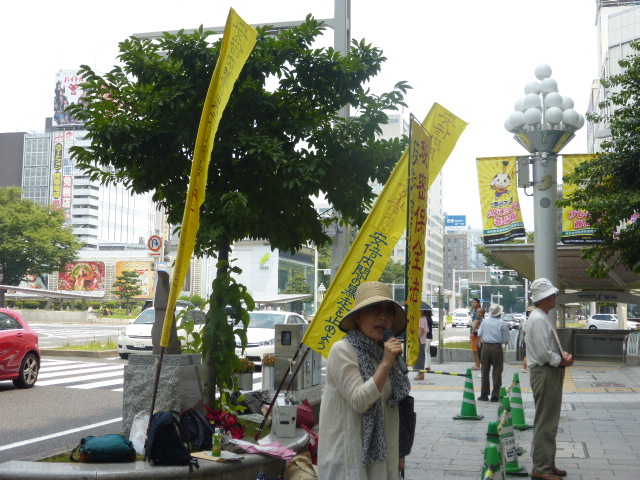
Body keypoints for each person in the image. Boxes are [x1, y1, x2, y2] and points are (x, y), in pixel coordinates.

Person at [318, 281, 411, 479]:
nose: (383, 317)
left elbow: (396, 406)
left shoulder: (383, 353)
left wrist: (400, 452)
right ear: (358, 317)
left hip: (385, 458)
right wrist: (386, 364)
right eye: (374, 309)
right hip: (348, 459)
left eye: (389, 312)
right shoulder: (342, 351)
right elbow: (360, 401)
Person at [526, 278, 573, 480]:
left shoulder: (540, 317)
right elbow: (544, 353)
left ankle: (547, 464)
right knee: (546, 420)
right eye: (553, 294)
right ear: (545, 297)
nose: (555, 297)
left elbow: (546, 349)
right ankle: (541, 468)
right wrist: (563, 360)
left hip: (548, 371)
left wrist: (562, 357)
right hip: (545, 371)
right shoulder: (537, 319)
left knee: (549, 420)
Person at [477, 303, 510, 402]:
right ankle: (495, 395)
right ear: (500, 313)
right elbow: (506, 339)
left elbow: (479, 334)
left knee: (485, 371)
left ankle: (484, 394)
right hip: (497, 347)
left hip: (485, 347)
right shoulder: (502, 323)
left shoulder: (484, 322)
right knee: (497, 371)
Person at [414, 303, 433, 380]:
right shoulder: (422, 318)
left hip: (421, 340)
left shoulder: (422, 319)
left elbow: (421, 330)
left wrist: (416, 339)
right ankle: (420, 373)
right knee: (420, 355)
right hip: (422, 339)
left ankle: (421, 373)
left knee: (420, 356)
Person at [469, 298, 484, 370]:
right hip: (475, 332)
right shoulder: (475, 310)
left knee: (476, 350)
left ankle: (478, 365)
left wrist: (472, 332)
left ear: (478, 303)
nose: (473, 303)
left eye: (475, 302)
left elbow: (477, 321)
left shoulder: (478, 311)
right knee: (475, 349)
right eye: (473, 302)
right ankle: (477, 364)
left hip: (476, 333)